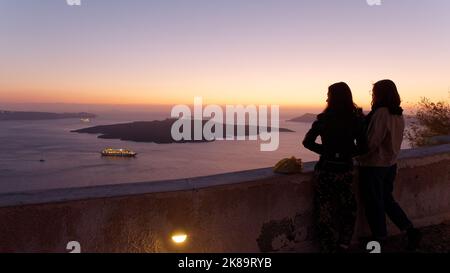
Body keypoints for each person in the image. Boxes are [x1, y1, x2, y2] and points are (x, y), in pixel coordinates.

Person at [358, 79, 421, 250]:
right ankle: (410, 229)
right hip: (390, 164)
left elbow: (372, 142)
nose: (373, 95)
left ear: (380, 94)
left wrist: (356, 155)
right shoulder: (398, 113)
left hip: (374, 166)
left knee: (374, 203)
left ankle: (378, 239)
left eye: (374, 92)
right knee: (387, 200)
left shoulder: (381, 113)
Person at [303, 82, 365, 253]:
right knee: (349, 209)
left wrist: (326, 152)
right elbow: (363, 147)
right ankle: (344, 244)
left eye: (328, 94)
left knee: (324, 210)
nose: (326, 98)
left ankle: (327, 246)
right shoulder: (356, 120)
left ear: (333, 98)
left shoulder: (323, 120)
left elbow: (307, 142)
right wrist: (346, 153)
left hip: (325, 170)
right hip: (345, 170)